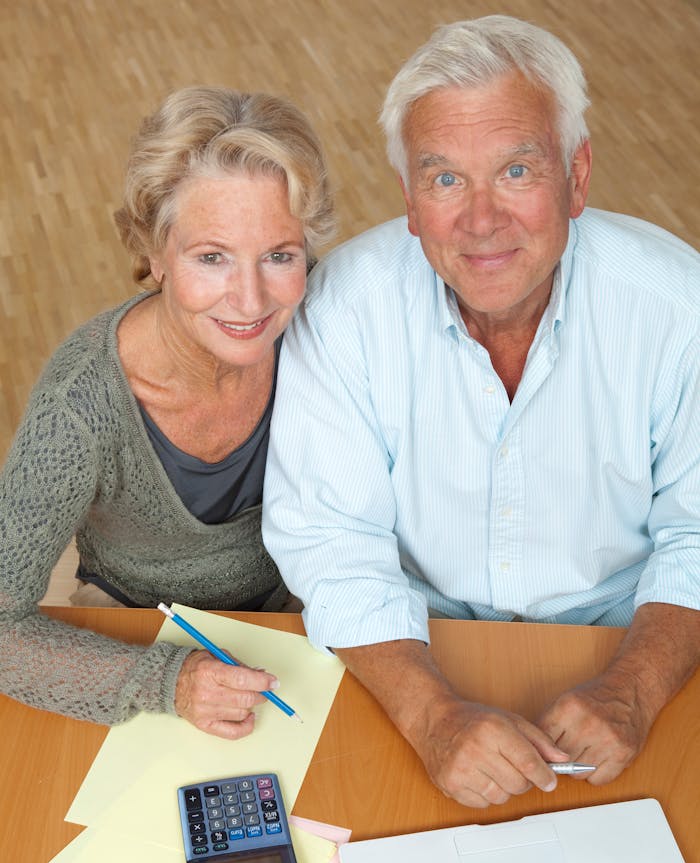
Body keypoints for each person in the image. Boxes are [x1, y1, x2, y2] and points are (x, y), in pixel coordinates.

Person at [263, 15, 700, 807]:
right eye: (444, 179)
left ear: (577, 175)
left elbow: (697, 531)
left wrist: (634, 690)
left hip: (635, 641)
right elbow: (335, 542)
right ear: (409, 198)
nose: (480, 220)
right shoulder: (344, 311)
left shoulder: (678, 307)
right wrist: (432, 718)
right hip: (414, 646)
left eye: (517, 172)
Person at [0, 85, 333, 739]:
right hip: (139, 626)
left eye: (278, 256)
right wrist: (165, 682)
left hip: (295, 606)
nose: (249, 300)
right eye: (211, 257)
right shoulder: (79, 410)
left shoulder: (324, 335)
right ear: (153, 254)